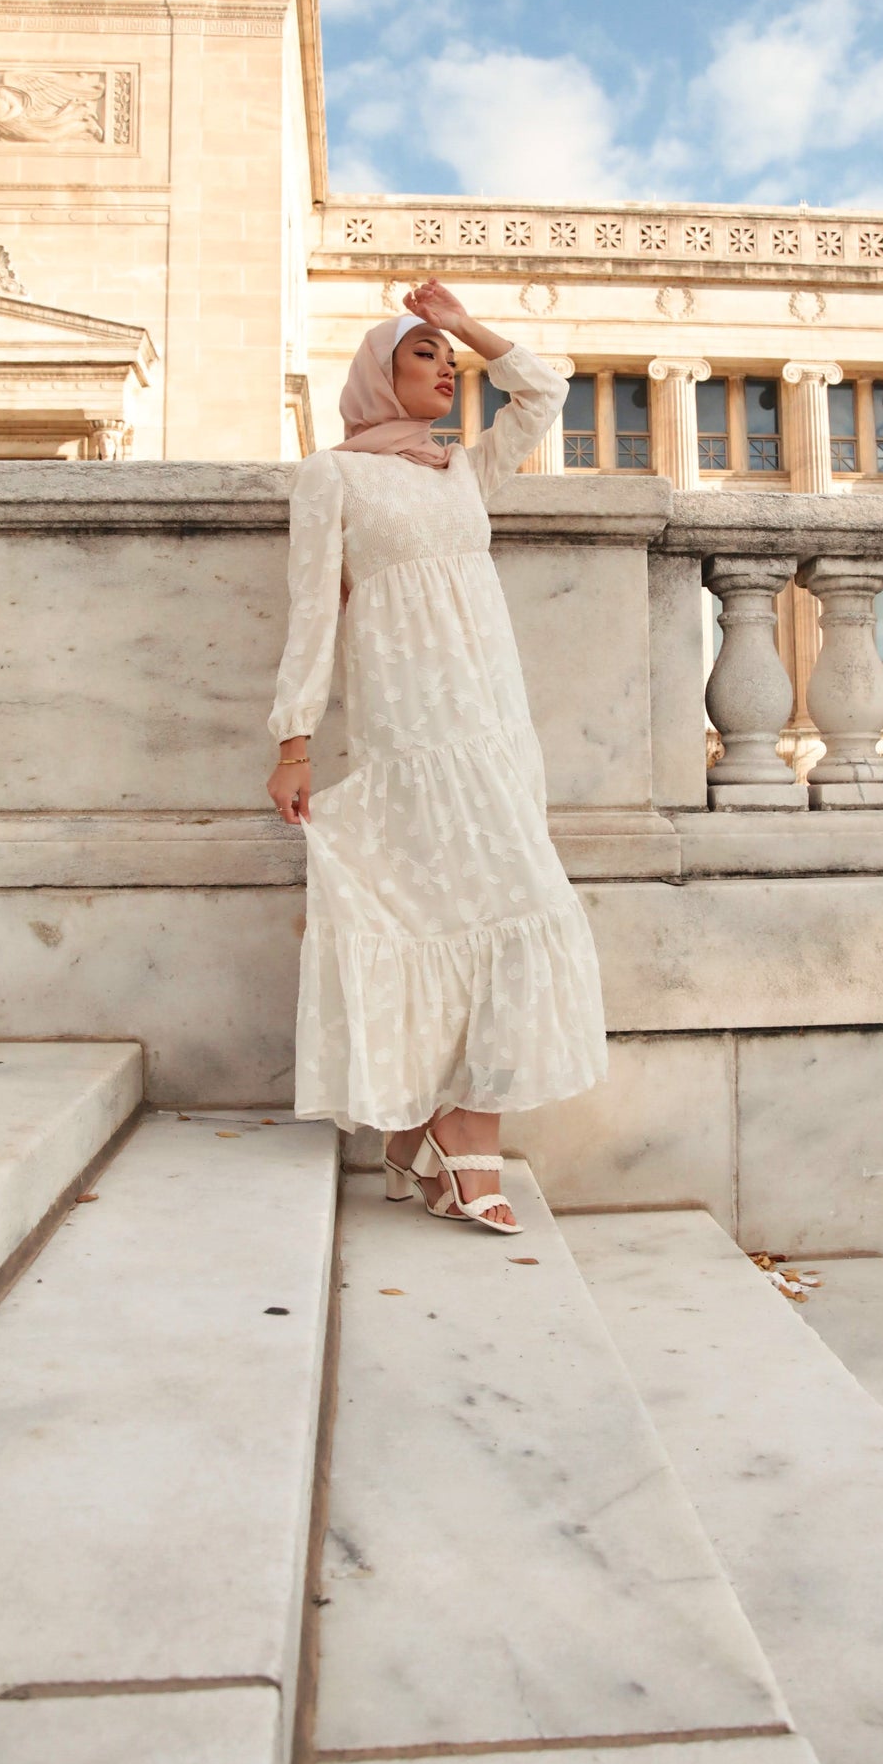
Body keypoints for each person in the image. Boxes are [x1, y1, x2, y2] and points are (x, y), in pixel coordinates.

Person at [266, 280, 608, 1232]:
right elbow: (308, 615)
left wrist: (462, 325)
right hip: (410, 723)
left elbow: (541, 395)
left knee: (515, 902)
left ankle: (425, 1130)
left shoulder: (463, 469)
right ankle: (457, 1133)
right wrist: (292, 741)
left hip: (494, 717)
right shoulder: (332, 476)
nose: (447, 372)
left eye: (450, 364)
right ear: (378, 371)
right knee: (449, 909)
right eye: (424, 356)